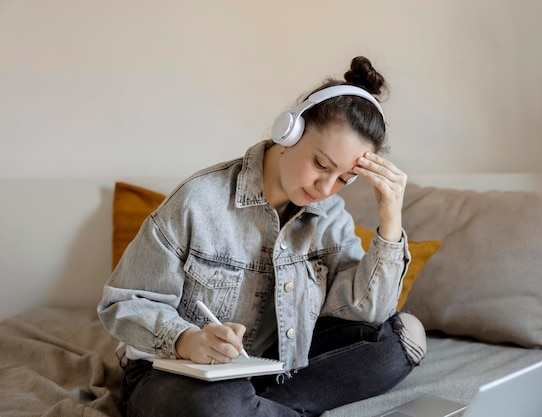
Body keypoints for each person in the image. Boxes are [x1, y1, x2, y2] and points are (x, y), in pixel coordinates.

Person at [98, 56, 427, 417]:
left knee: (405, 338)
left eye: (344, 179)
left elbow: (367, 311)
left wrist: (390, 219)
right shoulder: (199, 201)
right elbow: (124, 304)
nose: (326, 187)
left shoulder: (329, 215)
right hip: (175, 372)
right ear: (289, 132)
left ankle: (257, 409)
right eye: (321, 165)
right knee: (218, 402)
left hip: (277, 369)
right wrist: (188, 340)